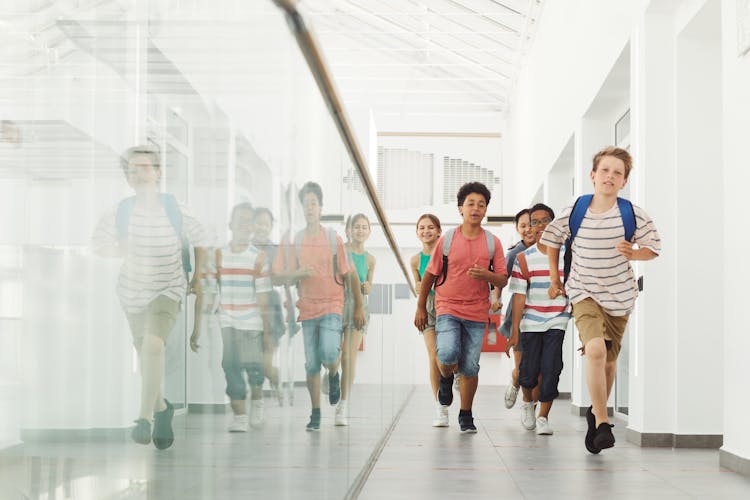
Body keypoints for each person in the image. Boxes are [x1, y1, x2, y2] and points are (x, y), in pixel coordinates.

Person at [541, 146, 661, 453]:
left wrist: (634, 253)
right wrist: (556, 277)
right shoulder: (576, 208)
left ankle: (596, 416)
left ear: (624, 181)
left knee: (608, 363)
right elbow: (551, 241)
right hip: (583, 292)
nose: (610, 176)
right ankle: (605, 422)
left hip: (620, 298)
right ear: (593, 175)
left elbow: (653, 248)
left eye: (617, 173)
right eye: (605, 170)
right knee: (594, 350)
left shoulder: (631, 213)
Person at [93, 145, 207, 449]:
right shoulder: (119, 211)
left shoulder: (176, 208)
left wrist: (196, 278)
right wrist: (120, 249)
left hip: (167, 288)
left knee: (153, 345)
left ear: (158, 173)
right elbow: (98, 244)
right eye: (134, 169)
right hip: (131, 292)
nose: (140, 173)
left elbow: (201, 238)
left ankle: (144, 418)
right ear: (128, 177)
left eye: (146, 167)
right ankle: (161, 408)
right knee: (147, 353)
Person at [414, 182, 508, 433]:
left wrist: (486, 276)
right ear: (460, 209)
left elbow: (502, 278)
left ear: (485, 209)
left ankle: (465, 414)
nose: (476, 208)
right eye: (471, 204)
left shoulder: (492, 242)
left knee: (469, 366)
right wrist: (421, 307)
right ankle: (445, 379)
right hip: (447, 308)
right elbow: (430, 276)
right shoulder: (447, 241)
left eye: (481, 204)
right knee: (445, 355)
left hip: (477, 312)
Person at [273, 182, 364, 431]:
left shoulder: (333, 238)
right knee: (312, 364)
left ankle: (333, 375)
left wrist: (358, 309)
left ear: (321, 207)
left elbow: (350, 274)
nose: (310, 207)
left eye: (314, 203)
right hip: (307, 308)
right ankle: (315, 413)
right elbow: (277, 277)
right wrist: (298, 272)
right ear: (301, 208)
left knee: (329, 354)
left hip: (333, 305)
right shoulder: (293, 240)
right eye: (306, 203)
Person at [505, 203, 570, 435]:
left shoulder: (567, 255)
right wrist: (514, 332)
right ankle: (527, 404)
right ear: (529, 227)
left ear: (554, 224)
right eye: (535, 222)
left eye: (546, 221)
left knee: (552, 368)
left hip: (557, 319)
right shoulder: (523, 258)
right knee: (529, 370)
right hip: (531, 322)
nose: (541, 226)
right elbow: (519, 297)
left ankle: (543, 417)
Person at [213, 203, 273, 431]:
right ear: (230, 224)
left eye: (248, 221)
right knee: (230, 365)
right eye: (239, 219)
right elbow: (213, 284)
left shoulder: (258, 257)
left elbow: (263, 296)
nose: (243, 224)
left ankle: (257, 401)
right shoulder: (219, 255)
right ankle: (240, 415)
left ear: (251, 228)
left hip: (251, 322)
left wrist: (266, 330)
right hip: (227, 321)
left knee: (253, 367)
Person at [336, 213, 376, 426]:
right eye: (356, 227)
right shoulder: (341, 253)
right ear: (348, 231)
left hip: (359, 307)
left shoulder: (370, 259)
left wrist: (368, 286)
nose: (360, 230)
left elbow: (369, 284)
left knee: (348, 357)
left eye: (364, 227)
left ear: (369, 231)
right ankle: (333, 380)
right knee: (333, 359)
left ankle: (342, 405)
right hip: (337, 304)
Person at [409, 214, 448, 427]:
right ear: (417, 232)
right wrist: (419, 291)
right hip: (428, 309)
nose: (426, 231)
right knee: (433, 356)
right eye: (422, 227)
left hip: (448, 306)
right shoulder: (415, 260)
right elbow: (418, 286)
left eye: (431, 227)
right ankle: (440, 407)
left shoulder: (446, 255)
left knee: (447, 356)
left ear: (439, 231)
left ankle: (452, 374)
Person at [499, 208, 536, 409]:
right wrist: (496, 298)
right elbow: (500, 280)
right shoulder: (514, 253)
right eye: (523, 226)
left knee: (538, 369)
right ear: (517, 229)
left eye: (531, 224)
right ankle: (516, 384)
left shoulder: (549, 250)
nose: (528, 229)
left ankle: (532, 407)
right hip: (519, 315)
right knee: (522, 369)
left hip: (542, 313)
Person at [252, 207, 285, 405]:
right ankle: (257, 404)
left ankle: (274, 378)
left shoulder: (276, 251)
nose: (262, 227)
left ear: (271, 227)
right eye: (259, 222)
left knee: (265, 363)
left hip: (270, 309)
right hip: (248, 308)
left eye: (266, 224)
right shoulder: (244, 248)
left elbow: (282, 279)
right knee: (253, 361)